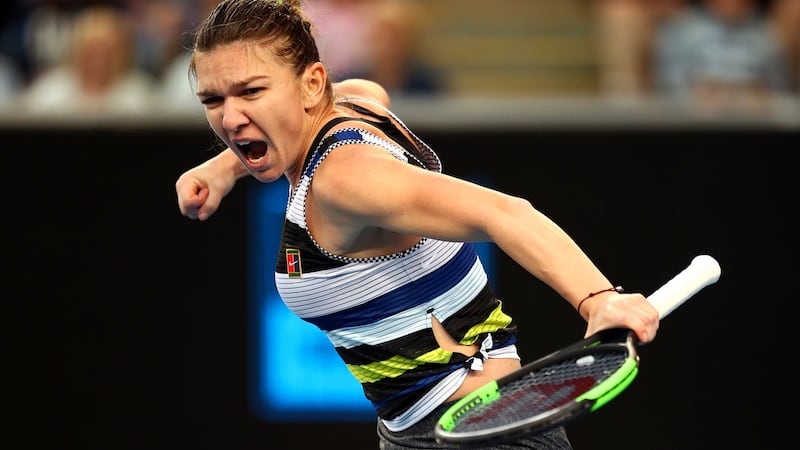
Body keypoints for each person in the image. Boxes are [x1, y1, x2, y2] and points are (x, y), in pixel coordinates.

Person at [174, 1, 660, 448]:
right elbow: (365, 88)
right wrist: (225, 167)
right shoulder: (355, 108)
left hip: (475, 435)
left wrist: (599, 298)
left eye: (251, 91)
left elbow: (506, 213)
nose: (231, 117)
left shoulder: (343, 179)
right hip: (432, 430)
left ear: (312, 83)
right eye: (213, 100)